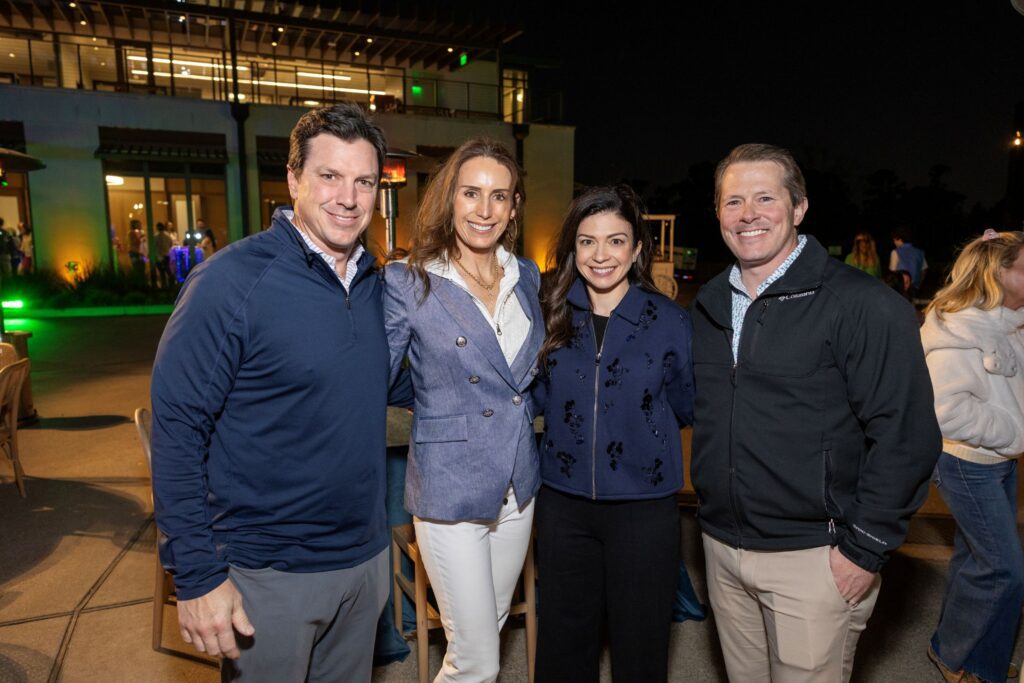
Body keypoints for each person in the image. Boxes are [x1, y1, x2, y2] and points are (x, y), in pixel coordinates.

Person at [151, 103, 409, 681]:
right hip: (268, 573)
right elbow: (177, 430)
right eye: (329, 176)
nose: (348, 197)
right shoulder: (230, 282)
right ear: (294, 180)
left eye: (364, 181)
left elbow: (387, 379)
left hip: (363, 562)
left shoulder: (376, 285)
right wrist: (196, 576)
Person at [690, 143, 941, 682]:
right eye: (733, 201)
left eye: (765, 198)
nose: (748, 214)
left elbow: (907, 435)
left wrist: (865, 548)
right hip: (721, 549)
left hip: (814, 558)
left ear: (799, 207)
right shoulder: (709, 304)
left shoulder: (862, 305)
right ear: (717, 214)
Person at [383, 137, 543, 682]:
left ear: (514, 207)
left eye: (500, 196)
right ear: (450, 197)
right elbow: (382, 377)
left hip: (518, 486)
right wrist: (439, 404)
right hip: (449, 487)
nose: (485, 209)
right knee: (478, 659)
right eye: (471, 193)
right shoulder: (410, 280)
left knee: (483, 634)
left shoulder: (526, 276)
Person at [532, 185, 694, 682]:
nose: (600, 255)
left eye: (616, 240)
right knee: (562, 644)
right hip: (563, 505)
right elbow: (536, 398)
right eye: (587, 241)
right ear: (573, 248)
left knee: (641, 646)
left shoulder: (670, 321)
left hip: (644, 508)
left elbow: (686, 403)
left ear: (637, 248)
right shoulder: (550, 313)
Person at [922, 229, 1024, 683]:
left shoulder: (1011, 321)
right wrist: (1014, 431)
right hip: (966, 463)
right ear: (1000, 273)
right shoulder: (958, 326)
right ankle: (950, 652)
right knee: (1004, 569)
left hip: (1000, 461)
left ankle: (983, 664)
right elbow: (946, 412)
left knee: (974, 559)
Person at [890, 225, 928, 290]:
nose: (894, 242)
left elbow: (892, 273)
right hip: (915, 288)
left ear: (900, 239)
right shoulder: (920, 252)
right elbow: (924, 270)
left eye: (894, 240)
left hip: (901, 289)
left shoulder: (895, 252)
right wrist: (918, 283)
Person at [154, 222, 173, 288]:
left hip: (159, 256)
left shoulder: (155, 236)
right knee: (168, 270)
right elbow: (170, 244)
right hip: (166, 255)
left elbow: (154, 246)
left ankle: (164, 285)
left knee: (162, 271)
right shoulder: (167, 235)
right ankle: (171, 284)